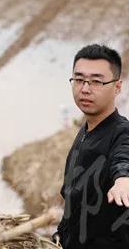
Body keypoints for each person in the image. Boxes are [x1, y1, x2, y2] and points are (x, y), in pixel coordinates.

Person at [53, 44, 129, 248]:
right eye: (79, 80)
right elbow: (71, 202)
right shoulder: (85, 131)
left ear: (117, 87)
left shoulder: (122, 133)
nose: (85, 89)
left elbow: (124, 157)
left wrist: (123, 179)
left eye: (96, 81)